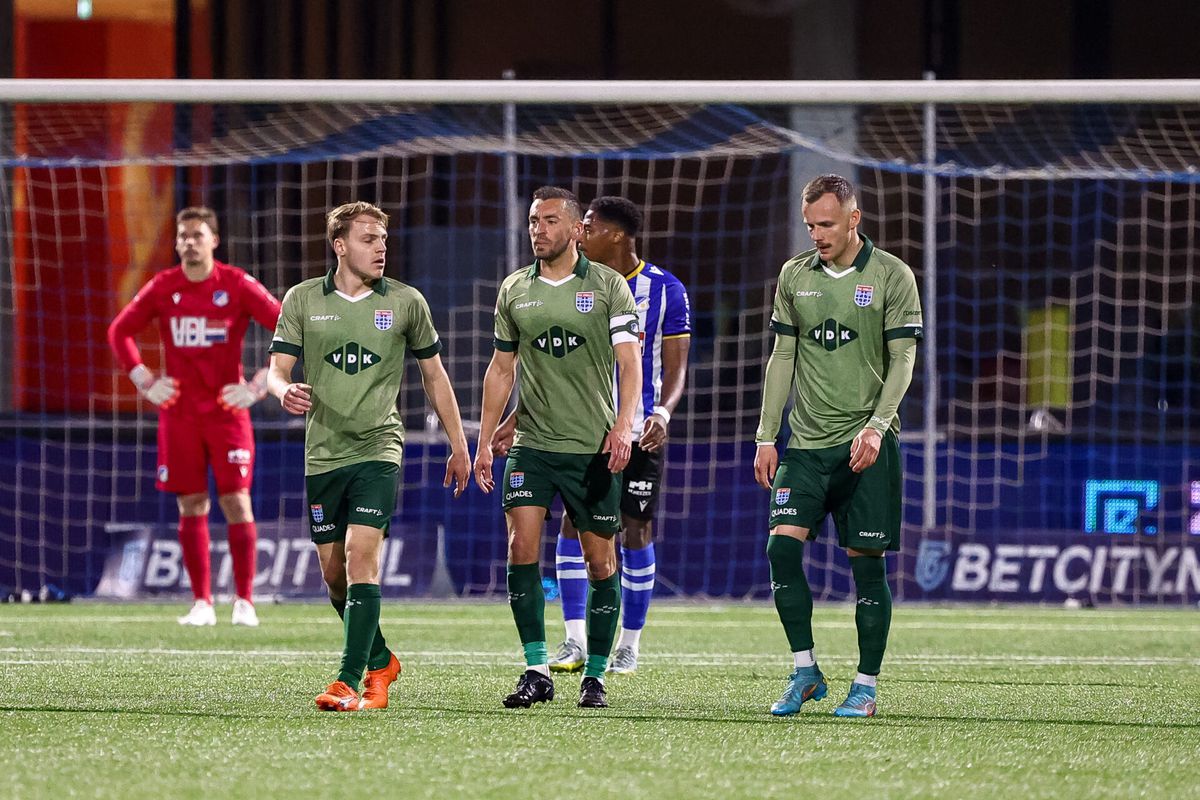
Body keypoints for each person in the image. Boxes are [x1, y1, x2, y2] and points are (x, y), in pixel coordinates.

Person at [267, 201, 470, 712]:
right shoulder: (302, 299)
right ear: (339, 245)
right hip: (322, 454)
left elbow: (434, 376)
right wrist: (282, 390)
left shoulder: (405, 302)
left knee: (362, 559)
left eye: (383, 238)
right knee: (334, 575)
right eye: (368, 238)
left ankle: (348, 680)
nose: (381, 246)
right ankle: (382, 661)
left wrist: (460, 443)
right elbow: (276, 369)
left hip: (379, 447)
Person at [492, 196, 691, 676]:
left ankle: (630, 643)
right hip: (581, 432)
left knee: (634, 531)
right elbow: (552, 368)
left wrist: (661, 412)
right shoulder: (564, 287)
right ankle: (574, 640)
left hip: (638, 429)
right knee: (572, 528)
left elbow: (676, 365)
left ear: (617, 235)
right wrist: (517, 416)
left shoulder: (664, 289)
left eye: (589, 226)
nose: (580, 232)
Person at [754, 174, 922, 718]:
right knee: (781, 549)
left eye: (826, 224)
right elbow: (782, 357)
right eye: (810, 226)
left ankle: (866, 686)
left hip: (865, 445)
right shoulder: (794, 276)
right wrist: (765, 434)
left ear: (854, 219)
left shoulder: (892, 275)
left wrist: (877, 425)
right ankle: (805, 670)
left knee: (865, 566)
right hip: (804, 446)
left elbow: (902, 361)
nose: (817, 235)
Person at [474, 186, 642, 710]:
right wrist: (487, 437)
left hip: (591, 446)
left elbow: (630, 362)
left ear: (574, 229)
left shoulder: (608, 286)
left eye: (549, 221)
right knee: (520, 549)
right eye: (532, 221)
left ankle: (594, 674)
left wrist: (623, 426)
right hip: (533, 446)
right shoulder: (514, 290)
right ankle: (535, 668)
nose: (537, 230)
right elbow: (504, 369)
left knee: (600, 562)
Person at [107, 206, 281, 627]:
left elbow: (289, 328)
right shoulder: (165, 286)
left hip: (227, 414)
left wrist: (259, 385)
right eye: (182, 236)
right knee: (191, 504)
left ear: (214, 240)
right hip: (180, 414)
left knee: (236, 501)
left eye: (197, 235)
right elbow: (119, 331)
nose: (188, 242)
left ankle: (245, 602)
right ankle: (202, 602)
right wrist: (145, 380)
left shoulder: (236, 284)